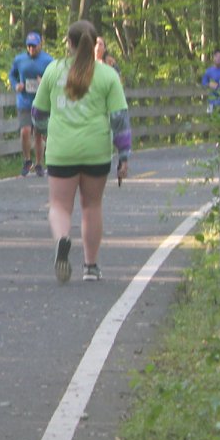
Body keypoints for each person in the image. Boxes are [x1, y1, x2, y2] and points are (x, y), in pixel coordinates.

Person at [32, 19, 131, 283]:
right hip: (96, 150)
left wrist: (46, 132)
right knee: (92, 206)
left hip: (61, 149)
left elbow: (38, 113)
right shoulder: (108, 75)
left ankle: (63, 239)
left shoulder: (53, 71)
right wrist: (123, 154)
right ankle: (90, 266)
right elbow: (119, 118)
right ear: (94, 42)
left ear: (69, 43)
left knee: (59, 205)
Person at [9, 32, 54, 177]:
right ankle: (27, 160)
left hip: (41, 102)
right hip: (24, 100)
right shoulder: (19, 59)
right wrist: (16, 85)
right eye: (29, 46)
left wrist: (44, 82)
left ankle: (39, 163)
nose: (31, 49)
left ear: (40, 45)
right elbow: (12, 75)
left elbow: (55, 78)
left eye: (34, 46)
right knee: (25, 131)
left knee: (39, 134)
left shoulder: (48, 60)